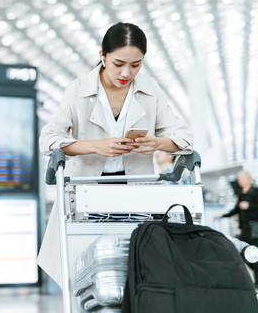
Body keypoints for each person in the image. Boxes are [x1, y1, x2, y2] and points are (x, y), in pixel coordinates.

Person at [38, 22, 193, 286]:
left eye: (136, 65)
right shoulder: (78, 90)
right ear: (102, 56)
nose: (126, 72)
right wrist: (96, 146)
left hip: (135, 194)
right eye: (118, 63)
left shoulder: (150, 90)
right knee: (87, 274)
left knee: (134, 273)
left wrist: (157, 142)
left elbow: (185, 138)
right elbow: (49, 140)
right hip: (87, 195)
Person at [215, 170, 258, 285]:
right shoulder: (241, 194)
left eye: (243, 178)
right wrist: (222, 216)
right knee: (243, 253)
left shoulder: (256, 192)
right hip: (244, 229)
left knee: (254, 254)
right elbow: (236, 210)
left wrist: (250, 206)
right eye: (239, 179)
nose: (240, 181)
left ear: (249, 178)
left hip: (255, 229)